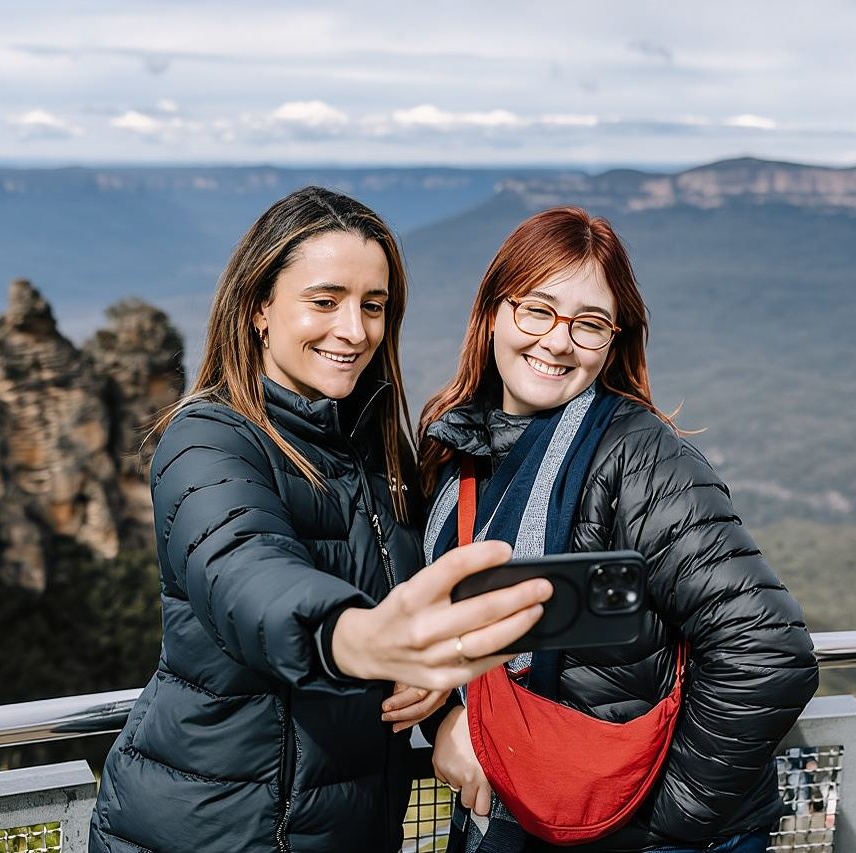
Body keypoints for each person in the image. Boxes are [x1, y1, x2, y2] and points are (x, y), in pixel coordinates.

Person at [88, 187, 553, 853]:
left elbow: (427, 610)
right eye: (325, 300)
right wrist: (357, 638)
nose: (355, 330)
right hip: (208, 831)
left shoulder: (375, 449)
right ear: (258, 309)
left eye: (373, 305)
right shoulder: (207, 440)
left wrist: (452, 702)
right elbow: (246, 574)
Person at [419, 207, 820, 852]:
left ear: (613, 341)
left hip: (634, 828)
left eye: (589, 324)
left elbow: (768, 652)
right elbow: (442, 623)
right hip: (530, 811)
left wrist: (659, 824)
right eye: (538, 310)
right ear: (493, 311)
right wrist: (454, 718)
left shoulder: (640, 459)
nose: (557, 341)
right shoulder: (458, 451)